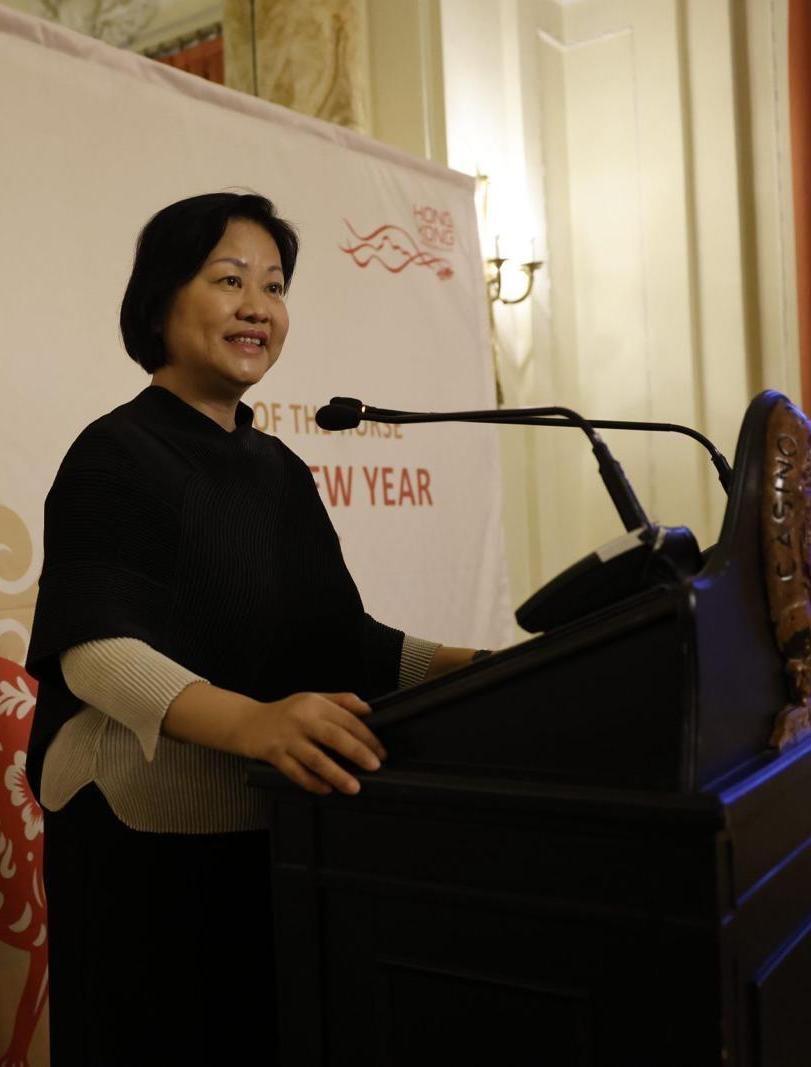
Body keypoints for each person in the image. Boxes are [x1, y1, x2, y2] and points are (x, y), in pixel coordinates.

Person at [25, 192, 481, 1065]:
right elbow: (95, 653)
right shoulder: (114, 452)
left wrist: (489, 665)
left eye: (273, 287)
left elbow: (349, 642)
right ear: (161, 299)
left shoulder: (279, 468)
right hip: (142, 852)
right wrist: (253, 722)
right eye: (228, 279)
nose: (257, 307)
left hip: (272, 833)